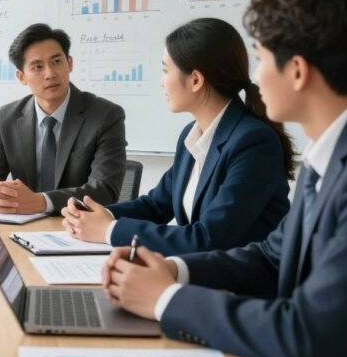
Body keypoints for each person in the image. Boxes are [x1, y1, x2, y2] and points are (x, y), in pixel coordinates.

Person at [102, 0, 347, 357]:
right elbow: (273, 257)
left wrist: (165, 300)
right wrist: (173, 270)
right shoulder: (337, 147)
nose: (254, 76)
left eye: (260, 56)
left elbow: (308, 332)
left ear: (296, 71)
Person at [61, 18, 293, 255]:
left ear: (195, 80)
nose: (162, 82)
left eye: (165, 70)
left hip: (244, 286)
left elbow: (208, 238)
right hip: (201, 276)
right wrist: (97, 215)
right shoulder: (193, 136)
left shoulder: (253, 143)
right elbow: (155, 205)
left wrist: (109, 230)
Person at [0, 23, 126, 214]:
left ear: (70, 63)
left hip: (78, 230)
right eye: (37, 67)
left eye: (57, 61)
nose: (50, 74)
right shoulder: (7, 118)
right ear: (21, 77)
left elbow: (105, 191)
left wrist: (41, 202)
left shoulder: (105, 116)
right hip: (21, 229)